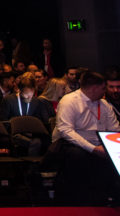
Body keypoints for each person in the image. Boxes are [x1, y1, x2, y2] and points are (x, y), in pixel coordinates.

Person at [51, 71, 120, 205]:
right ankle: (80, 200)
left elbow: (115, 129)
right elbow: (66, 131)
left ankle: (108, 198)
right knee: (78, 155)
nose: (105, 91)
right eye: (103, 88)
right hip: (71, 144)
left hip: (99, 143)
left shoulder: (104, 104)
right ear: (94, 88)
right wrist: (93, 149)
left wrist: (110, 147)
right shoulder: (69, 101)